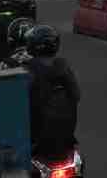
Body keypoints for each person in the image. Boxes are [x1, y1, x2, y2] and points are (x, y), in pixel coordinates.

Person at [24, 25, 81, 157]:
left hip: (36, 139)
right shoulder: (64, 67)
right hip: (66, 136)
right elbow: (77, 96)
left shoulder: (29, 69)